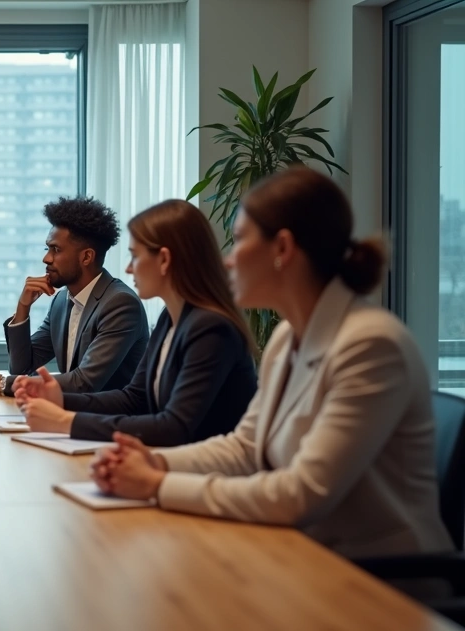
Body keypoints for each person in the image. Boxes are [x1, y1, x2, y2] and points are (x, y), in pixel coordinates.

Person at [90, 167, 453, 559]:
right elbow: (244, 449)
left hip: (379, 584)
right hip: (300, 553)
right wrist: (155, 460)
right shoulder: (287, 336)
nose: (228, 261)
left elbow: (301, 493)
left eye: (240, 240)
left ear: (282, 249)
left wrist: (156, 485)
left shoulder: (371, 345)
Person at [14, 200, 258, 446]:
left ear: (164, 260)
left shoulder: (211, 328)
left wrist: (64, 421)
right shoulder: (170, 317)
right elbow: (134, 398)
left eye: (135, 256)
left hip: (207, 474)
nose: (129, 269)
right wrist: (59, 400)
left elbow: (173, 427)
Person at [0, 196, 149, 396]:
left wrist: (1, 383)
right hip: (72, 414)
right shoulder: (62, 301)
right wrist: (23, 308)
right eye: (48, 248)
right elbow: (22, 367)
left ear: (86, 257)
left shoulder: (120, 304)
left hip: (111, 421)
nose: (46, 258)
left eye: (56, 249)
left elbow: (84, 383)